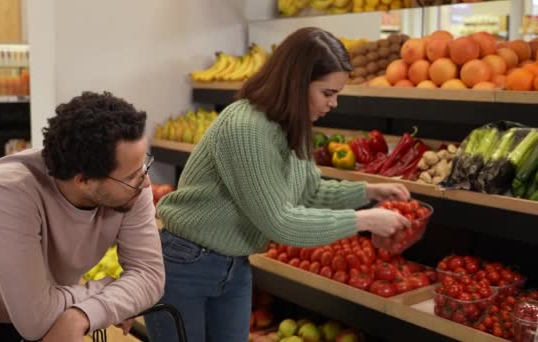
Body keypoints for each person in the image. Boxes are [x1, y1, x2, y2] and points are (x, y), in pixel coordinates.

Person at [145, 27, 411, 342]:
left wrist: (367, 191)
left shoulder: (292, 127)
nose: (335, 103)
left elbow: (309, 192)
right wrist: (364, 220)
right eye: (328, 93)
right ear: (297, 85)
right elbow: (279, 222)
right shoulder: (246, 127)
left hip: (235, 267)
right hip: (186, 265)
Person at [0, 91, 165, 342]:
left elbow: (150, 275)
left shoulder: (130, 185)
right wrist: (109, 291)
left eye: (144, 167)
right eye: (131, 177)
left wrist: (82, 314)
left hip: (57, 305)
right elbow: (35, 320)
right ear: (83, 180)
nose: (147, 183)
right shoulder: (9, 190)